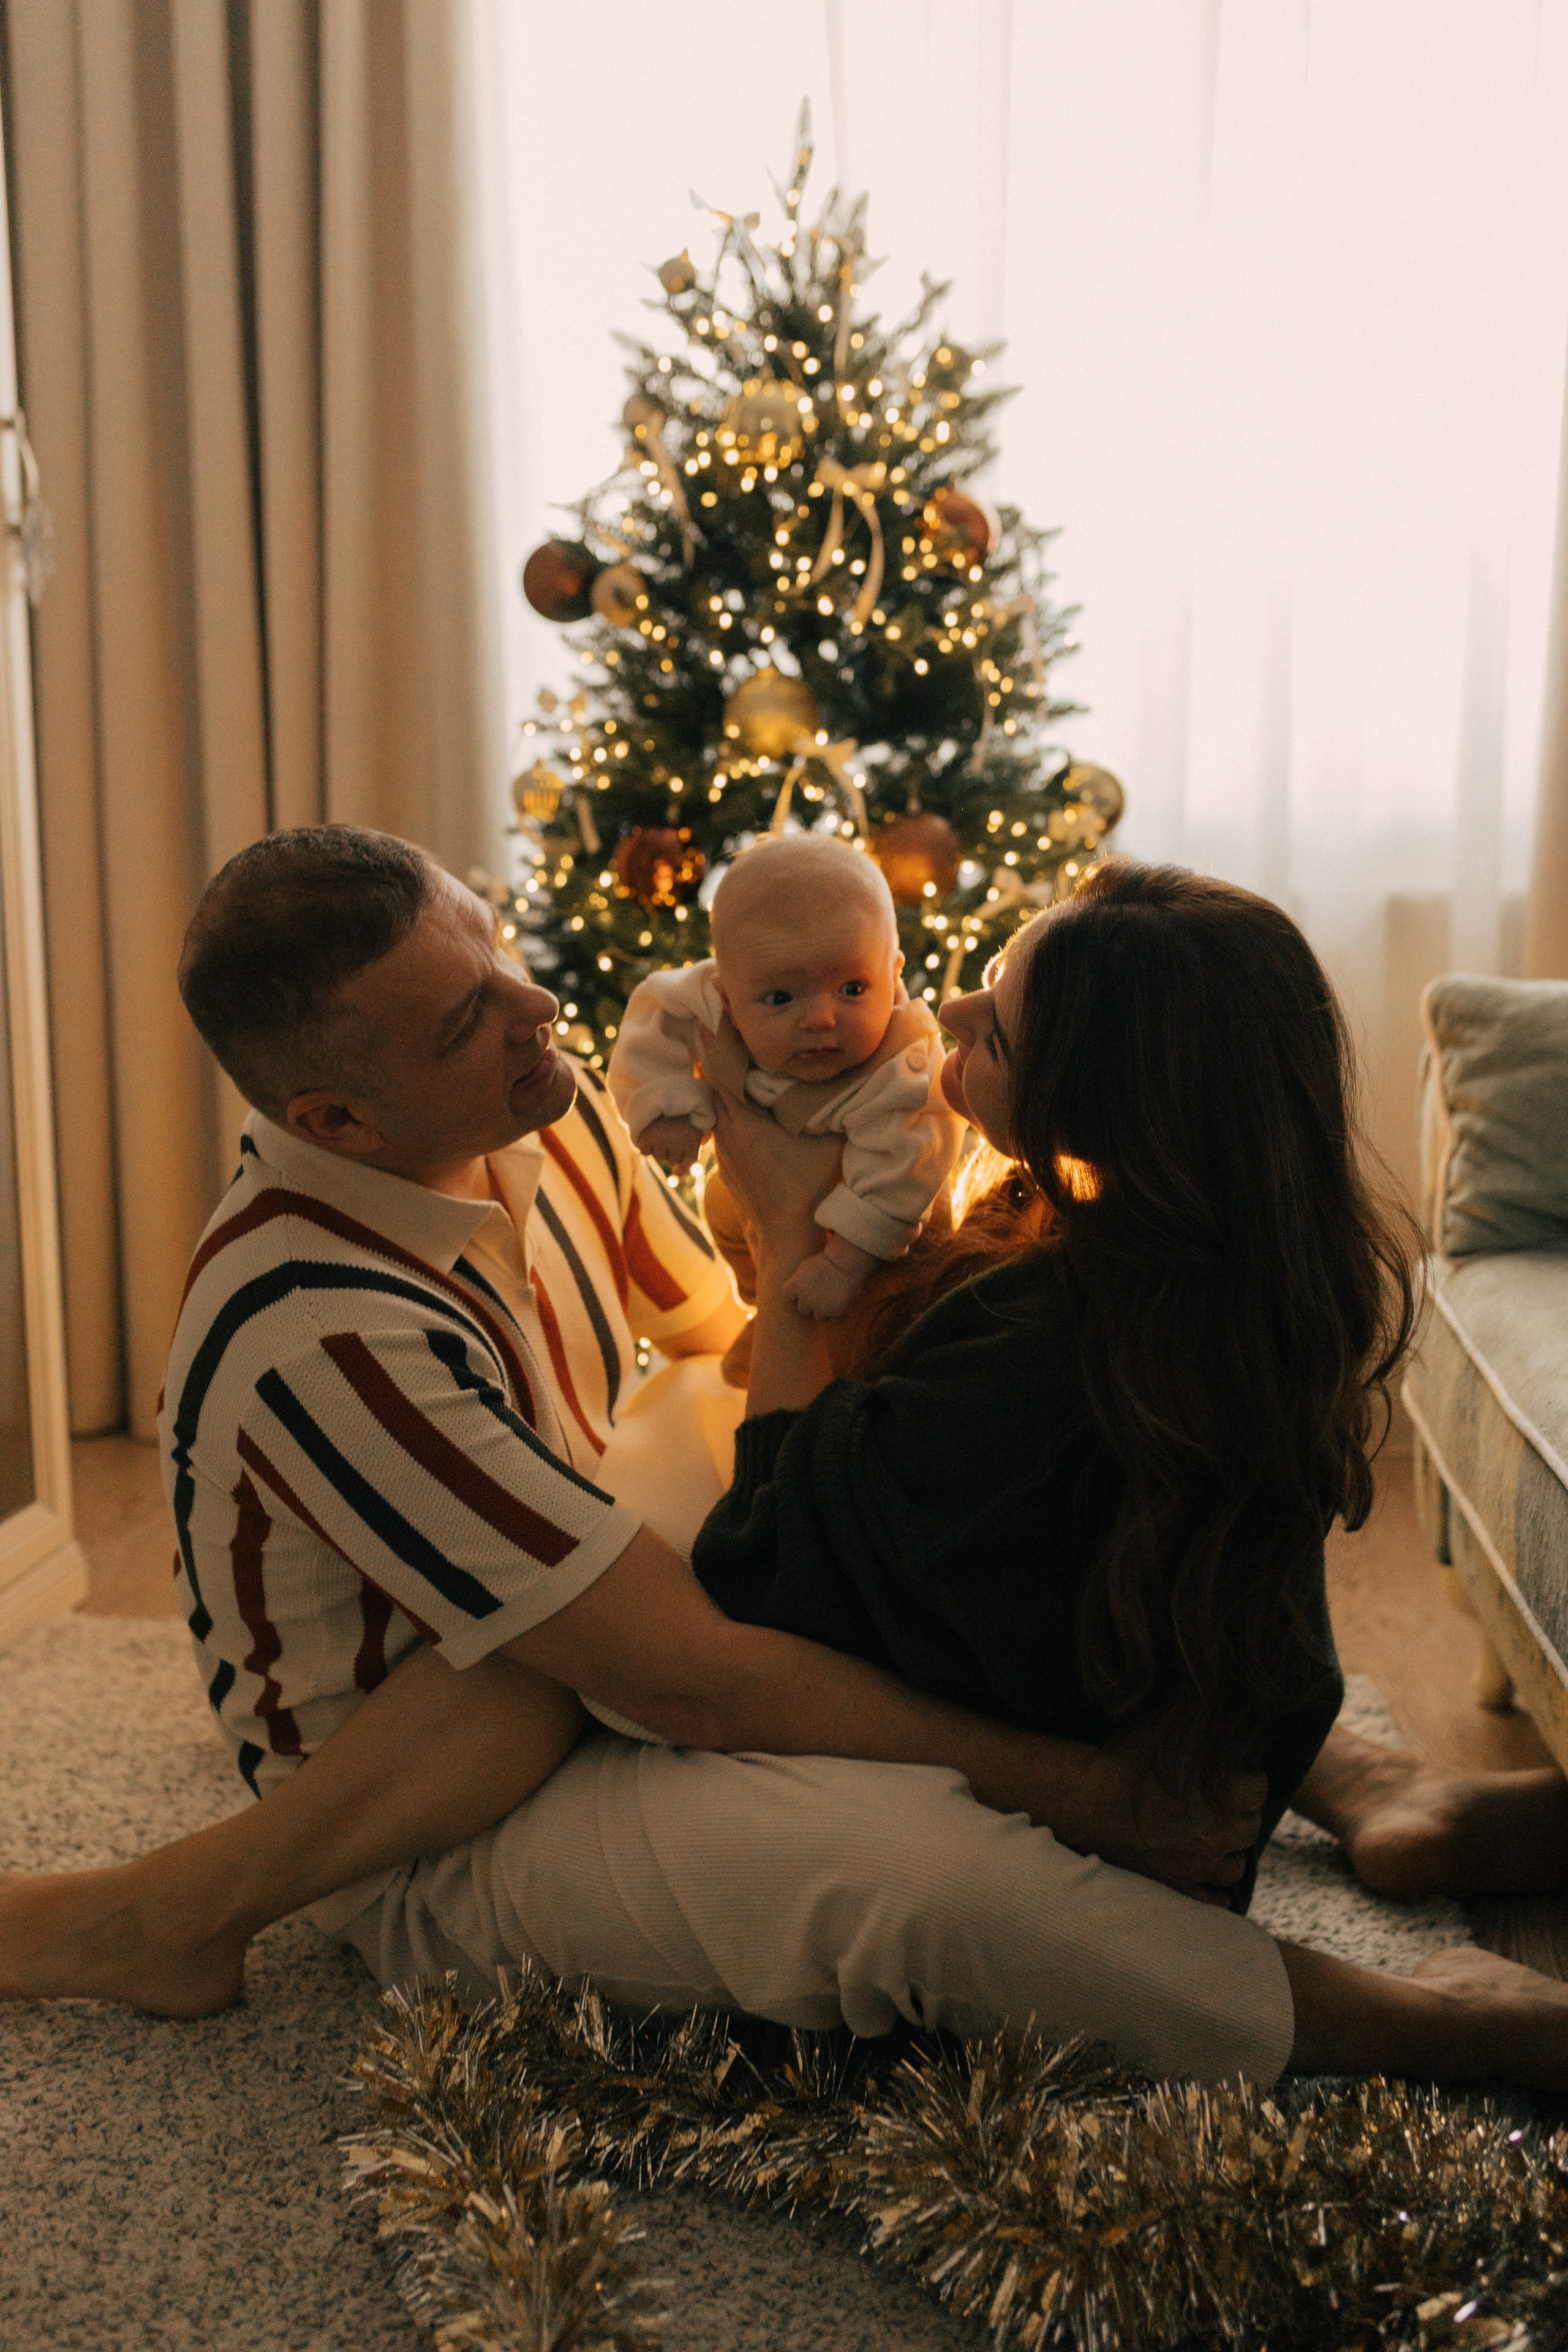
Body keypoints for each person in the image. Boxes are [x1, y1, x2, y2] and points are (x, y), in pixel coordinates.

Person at [3, 827, 1567, 2095]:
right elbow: (688, 1674)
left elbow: (724, 1337)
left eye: (498, 954)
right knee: (916, 1874)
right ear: (335, 1114)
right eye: (468, 1015)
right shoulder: (316, 1324)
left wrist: (803, 1214)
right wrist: (1081, 1787)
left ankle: (1340, 1765)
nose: (538, 1013)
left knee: (849, 1481)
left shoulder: (525, 1115)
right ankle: (1406, 2023)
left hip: (566, 1614)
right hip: (419, 1813)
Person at [608, 831, 960, 1322]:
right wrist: (665, 1104)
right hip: (759, 1209)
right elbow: (655, 1013)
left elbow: (907, 1166)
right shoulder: (708, 999)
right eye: (780, 999)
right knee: (718, 1204)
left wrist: (842, 1266)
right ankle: (765, 1315)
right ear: (726, 995)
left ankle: (835, 1344)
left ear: (895, 974)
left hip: (883, 1227)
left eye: (853, 988)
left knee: (892, 1298)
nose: (820, 1019)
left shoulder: (903, 1067)